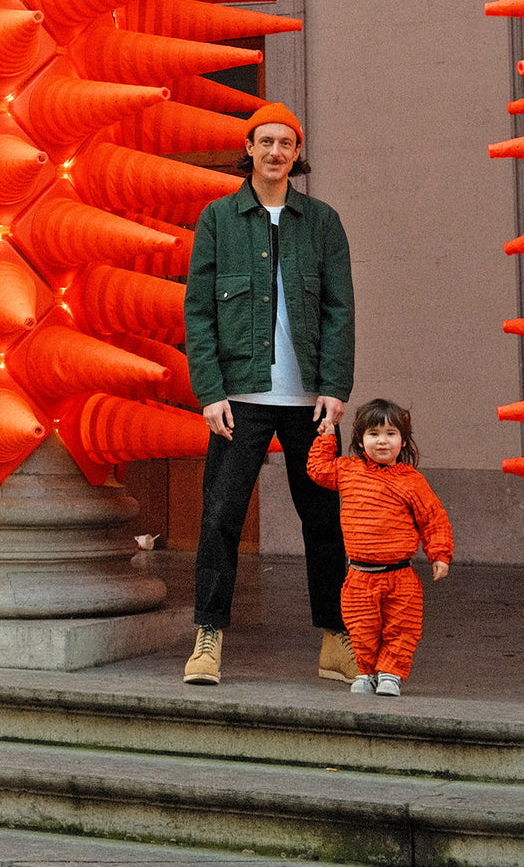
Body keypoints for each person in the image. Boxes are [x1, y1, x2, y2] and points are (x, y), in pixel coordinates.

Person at [183, 101, 356, 685]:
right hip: (240, 397)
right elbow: (198, 312)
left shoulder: (323, 221)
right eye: (266, 142)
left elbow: (339, 310)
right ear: (249, 149)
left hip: (309, 401)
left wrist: (334, 386)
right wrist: (210, 390)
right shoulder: (218, 219)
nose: (276, 152)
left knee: (324, 522)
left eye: (286, 143)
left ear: (297, 152)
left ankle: (336, 639)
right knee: (220, 519)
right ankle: (208, 637)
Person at [306, 398, 453, 697]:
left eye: (390, 434)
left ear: (403, 440)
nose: (382, 441)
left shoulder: (412, 481)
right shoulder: (348, 470)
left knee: (402, 628)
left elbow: (433, 518)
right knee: (361, 629)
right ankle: (366, 671)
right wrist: (327, 437)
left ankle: (390, 674)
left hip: (401, 577)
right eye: (373, 434)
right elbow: (318, 469)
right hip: (359, 577)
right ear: (360, 441)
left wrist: (439, 554)